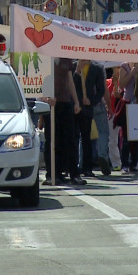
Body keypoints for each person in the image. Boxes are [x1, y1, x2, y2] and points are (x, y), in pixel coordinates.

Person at [43, 58, 86, 186]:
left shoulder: (65, 59)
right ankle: (52, 174)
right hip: (49, 104)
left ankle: (74, 174)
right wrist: (45, 98)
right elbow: (36, 82)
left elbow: (70, 81)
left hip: (65, 102)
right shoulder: (44, 59)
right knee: (52, 141)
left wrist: (76, 101)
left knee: (70, 139)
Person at [74, 59, 107, 177]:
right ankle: (72, 167)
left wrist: (91, 101)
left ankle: (87, 167)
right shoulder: (73, 67)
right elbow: (70, 84)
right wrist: (77, 72)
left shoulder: (96, 69)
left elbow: (101, 90)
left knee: (86, 138)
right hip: (74, 107)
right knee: (73, 138)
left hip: (87, 108)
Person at [118, 62, 138, 173]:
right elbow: (121, 85)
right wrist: (131, 73)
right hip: (128, 102)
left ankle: (135, 163)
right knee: (126, 136)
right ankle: (125, 163)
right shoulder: (124, 66)